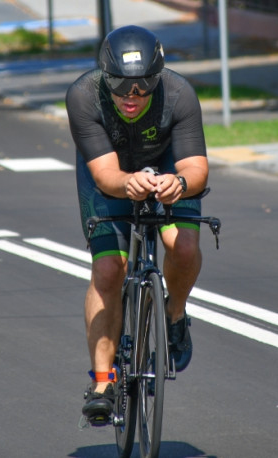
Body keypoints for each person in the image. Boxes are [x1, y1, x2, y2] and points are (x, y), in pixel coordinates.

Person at [66, 25, 209, 425]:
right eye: (121, 85)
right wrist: (129, 182)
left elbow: (197, 168)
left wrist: (177, 183)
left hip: (167, 166)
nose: (133, 95)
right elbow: (106, 173)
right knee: (109, 268)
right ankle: (102, 381)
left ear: (158, 78)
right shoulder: (82, 95)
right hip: (109, 170)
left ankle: (175, 314)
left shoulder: (179, 95)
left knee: (182, 246)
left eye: (145, 86)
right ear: (105, 77)